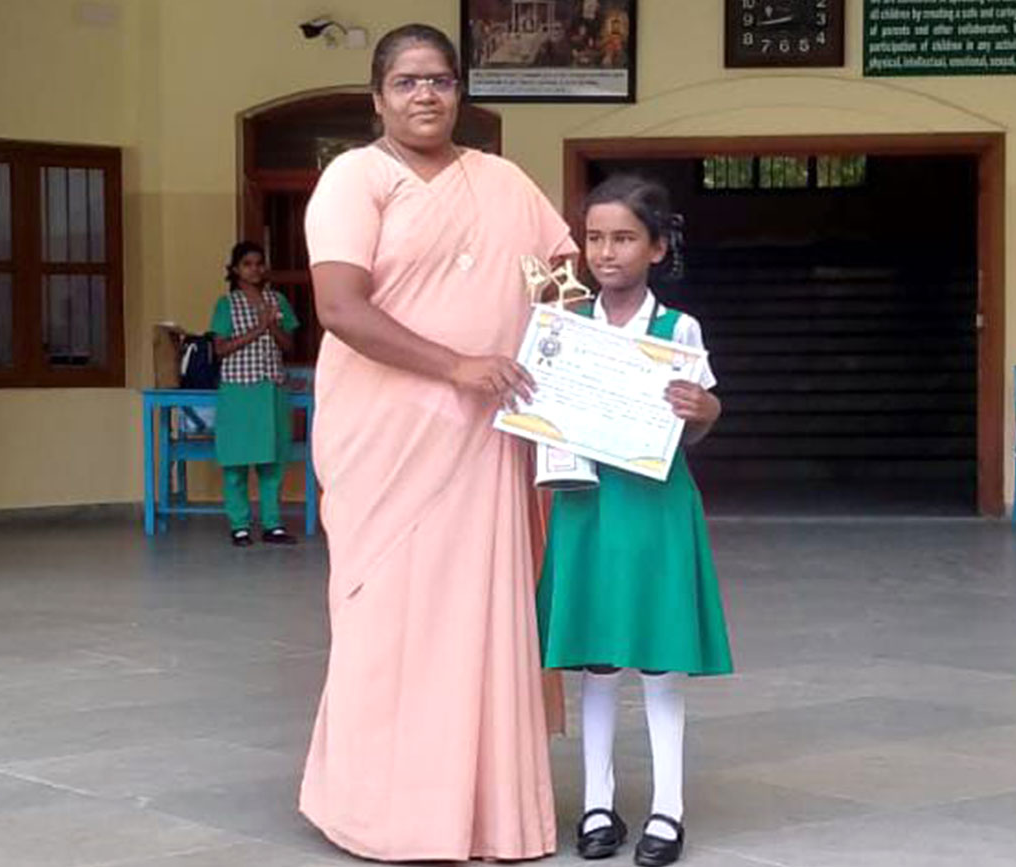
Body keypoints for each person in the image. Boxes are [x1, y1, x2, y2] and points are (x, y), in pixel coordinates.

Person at [299, 23, 578, 862]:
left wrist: (579, 354)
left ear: (461, 92)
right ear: (377, 97)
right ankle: (379, 811)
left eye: (441, 80)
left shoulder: (503, 181)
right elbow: (340, 308)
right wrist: (457, 364)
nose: (426, 94)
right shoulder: (355, 178)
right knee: (386, 620)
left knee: (480, 622)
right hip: (386, 438)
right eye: (407, 81)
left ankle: (489, 814)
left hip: (490, 436)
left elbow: (561, 280)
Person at [537, 175, 733, 865]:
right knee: (597, 657)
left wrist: (704, 409)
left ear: (656, 247)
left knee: (658, 655)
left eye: (623, 238)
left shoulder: (679, 329)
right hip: (586, 504)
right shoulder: (564, 326)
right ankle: (597, 802)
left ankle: (667, 810)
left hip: (655, 507)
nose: (606, 252)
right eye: (594, 238)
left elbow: (701, 417)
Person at [209, 241, 299, 547]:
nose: (255, 269)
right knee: (236, 463)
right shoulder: (226, 304)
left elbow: (288, 346)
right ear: (235, 270)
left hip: (271, 390)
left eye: (259, 263)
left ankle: (272, 525)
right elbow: (221, 348)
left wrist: (272, 326)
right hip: (239, 391)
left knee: (272, 462)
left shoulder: (278, 301)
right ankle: (240, 525)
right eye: (247, 264)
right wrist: (259, 328)